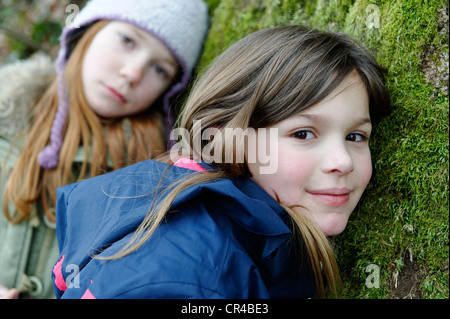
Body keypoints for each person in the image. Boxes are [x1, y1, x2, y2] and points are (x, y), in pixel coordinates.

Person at [51, 25, 390, 299]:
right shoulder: (189, 274)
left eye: (356, 136)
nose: (342, 161)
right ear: (220, 140)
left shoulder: (232, 237)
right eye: (302, 134)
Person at [0, 0, 209, 299]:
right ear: (87, 31)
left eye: (160, 69)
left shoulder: (151, 176)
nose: (133, 73)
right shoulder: (5, 119)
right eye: (127, 40)